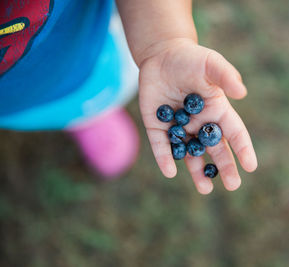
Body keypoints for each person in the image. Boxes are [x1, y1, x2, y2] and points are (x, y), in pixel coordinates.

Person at [0, 0, 257, 194]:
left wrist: (166, 41)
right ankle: (79, 114)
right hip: (14, 105)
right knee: (33, 111)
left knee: (90, 96)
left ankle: (89, 113)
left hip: (88, 61)